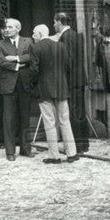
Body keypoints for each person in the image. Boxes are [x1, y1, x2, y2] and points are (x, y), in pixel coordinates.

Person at [0, 16, 33, 161]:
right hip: (8, 85)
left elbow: (32, 56)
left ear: (18, 28)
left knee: (25, 117)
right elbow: (0, 61)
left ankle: (26, 148)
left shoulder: (28, 41)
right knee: (9, 118)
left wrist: (16, 59)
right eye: (5, 28)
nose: (6, 30)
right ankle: (10, 151)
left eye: (10, 27)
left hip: (24, 84)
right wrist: (19, 65)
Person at [31, 24, 77, 163]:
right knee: (65, 121)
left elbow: (34, 70)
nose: (32, 36)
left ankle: (54, 155)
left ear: (39, 34)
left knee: (49, 122)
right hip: (61, 88)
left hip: (44, 89)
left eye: (34, 33)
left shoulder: (35, 47)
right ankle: (72, 153)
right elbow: (68, 66)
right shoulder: (61, 46)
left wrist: (33, 85)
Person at [53, 12, 90, 155]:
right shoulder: (76, 35)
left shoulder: (65, 37)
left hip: (71, 80)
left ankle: (77, 147)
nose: (54, 25)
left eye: (54, 22)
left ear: (59, 22)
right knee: (80, 112)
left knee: (73, 113)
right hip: (79, 79)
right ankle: (83, 144)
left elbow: (67, 60)